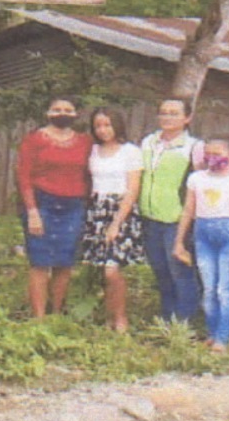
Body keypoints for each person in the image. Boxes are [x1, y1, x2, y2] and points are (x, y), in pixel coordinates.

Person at [173, 137, 229, 352]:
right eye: (208, 154)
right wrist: (179, 242)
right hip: (203, 234)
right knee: (209, 288)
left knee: (224, 289)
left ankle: (223, 337)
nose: (212, 158)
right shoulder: (197, 179)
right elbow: (188, 211)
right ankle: (212, 332)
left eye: (217, 154)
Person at [15, 97, 93, 319]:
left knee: (65, 262)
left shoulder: (85, 142)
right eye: (57, 109)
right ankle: (39, 318)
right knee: (40, 262)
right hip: (42, 204)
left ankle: (56, 314)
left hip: (74, 206)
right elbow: (23, 177)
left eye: (68, 110)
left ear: (76, 114)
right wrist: (32, 211)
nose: (62, 113)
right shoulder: (34, 140)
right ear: (48, 113)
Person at [137, 98, 205, 324]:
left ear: (187, 118)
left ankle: (185, 325)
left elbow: (202, 183)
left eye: (174, 113)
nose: (167, 117)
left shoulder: (194, 147)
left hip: (178, 219)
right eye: (163, 112)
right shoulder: (148, 142)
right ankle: (167, 321)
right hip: (150, 217)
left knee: (180, 273)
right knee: (161, 271)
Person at [81, 107, 144, 331]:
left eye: (107, 125)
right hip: (97, 210)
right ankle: (108, 316)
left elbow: (133, 189)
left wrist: (116, 223)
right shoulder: (93, 151)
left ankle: (120, 317)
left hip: (120, 211)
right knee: (101, 267)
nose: (103, 130)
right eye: (98, 125)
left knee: (112, 270)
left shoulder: (130, 151)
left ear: (117, 125)